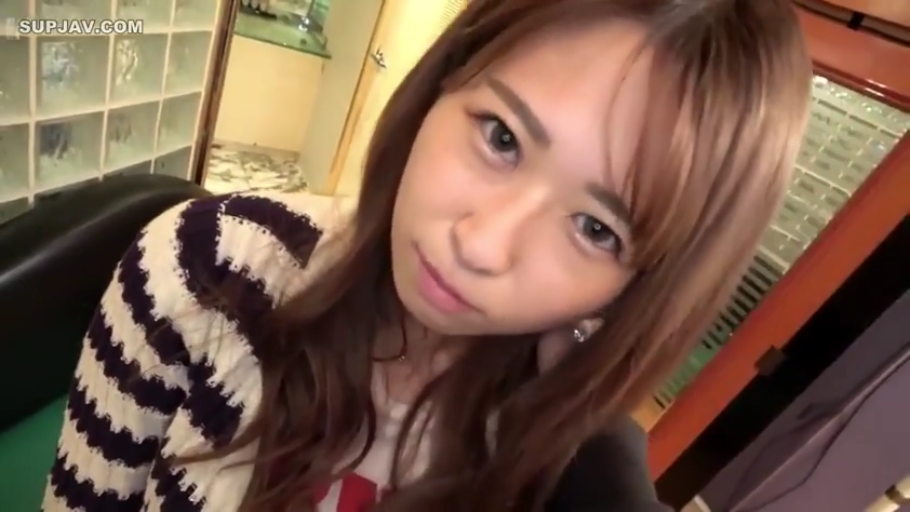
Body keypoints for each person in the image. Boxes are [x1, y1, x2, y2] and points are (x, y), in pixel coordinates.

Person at [42, 0, 812, 510]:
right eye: (501, 137)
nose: (481, 244)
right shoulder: (204, 269)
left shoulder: (562, 475)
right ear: (442, 84)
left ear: (641, 285)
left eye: (596, 229)